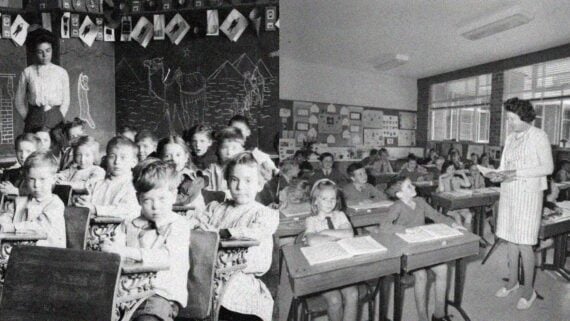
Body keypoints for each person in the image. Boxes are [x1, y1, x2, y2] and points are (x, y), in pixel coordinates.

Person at [189, 152, 278, 321]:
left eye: (248, 181)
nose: (240, 187)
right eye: (234, 179)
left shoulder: (264, 214)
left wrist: (220, 233)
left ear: (260, 184)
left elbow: (256, 232)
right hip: (205, 278)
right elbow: (193, 223)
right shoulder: (215, 208)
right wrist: (195, 227)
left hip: (239, 282)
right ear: (227, 182)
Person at [101, 158, 190, 321]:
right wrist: (109, 247)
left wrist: (127, 252)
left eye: (162, 199)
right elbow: (115, 249)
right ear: (138, 199)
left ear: (174, 195)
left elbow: (166, 258)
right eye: (148, 200)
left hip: (160, 294)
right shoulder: (129, 223)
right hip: (127, 291)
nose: (155, 206)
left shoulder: (178, 225)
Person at [485, 98, 553, 310]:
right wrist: (497, 174)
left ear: (524, 117)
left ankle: (528, 291)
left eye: (512, 118)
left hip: (529, 196)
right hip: (510, 193)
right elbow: (505, 165)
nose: (509, 122)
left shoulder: (539, 136)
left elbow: (548, 167)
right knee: (511, 241)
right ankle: (513, 282)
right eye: (508, 118)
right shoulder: (511, 137)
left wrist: (517, 172)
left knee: (524, 243)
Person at [383, 177, 464, 321]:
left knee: (443, 269)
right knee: (421, 275)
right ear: (400, 194)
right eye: (409, 186)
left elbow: (436, 215)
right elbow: (384, 227)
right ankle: (423, 317)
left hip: (422, 246)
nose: (413, 186)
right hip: (406, 250)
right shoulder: (397, 206)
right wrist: (405, 230)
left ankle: (439, 314)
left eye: (412, 184)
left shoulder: (420, 201)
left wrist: (453, 224)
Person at [304, 179, 358, 321]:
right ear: (315, 201)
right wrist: (337, 235)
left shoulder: (340, 215)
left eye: (333, 199)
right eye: (324, 199)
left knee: (353, 294)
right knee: (334, 299)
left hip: (342, 265)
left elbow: (350, 234)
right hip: (323, 270)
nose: (329, 202)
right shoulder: (312, 220)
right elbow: (312, 241)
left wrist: (325, 232)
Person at [0, 151, 65, 248]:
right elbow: (7, 215)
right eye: (31, 179)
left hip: (48, 254)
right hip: (20, 250)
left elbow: (38, 226)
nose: (36, 185)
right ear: (25, 179)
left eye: (42, 179)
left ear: (53, 179)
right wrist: (3, 223)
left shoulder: (55, 204)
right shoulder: (20, 200)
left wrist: (12, 227)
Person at [15, 32, 69, 132]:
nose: (45, 55)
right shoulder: (28, 72)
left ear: (52, 49)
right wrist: (28, 118)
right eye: (40, 52)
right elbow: (18, 101)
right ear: (35, 52)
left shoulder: (61, 72)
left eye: (48, 50)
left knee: (56, 145)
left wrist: (59, 115)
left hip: (56, 117)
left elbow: (66, 100)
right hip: (34, 118)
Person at [74, 136, 140, 219]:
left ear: (133, 162)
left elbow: (127, 209)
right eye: (112, 156)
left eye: (123, 157)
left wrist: (96, 209)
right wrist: (83, 201)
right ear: (106, 159)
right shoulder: (98, 184)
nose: (117, 162)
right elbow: (88, 201)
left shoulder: (134, 186)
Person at [157, 135, 205, 212]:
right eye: (167, 156)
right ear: (160, 159)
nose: (173, 159)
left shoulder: (192, 181)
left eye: (178, 155)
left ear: (186, 158)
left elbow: (199, 209)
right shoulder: (156, 179)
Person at [56, 136, 105, 201]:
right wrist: (55, 177)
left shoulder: (97, 171)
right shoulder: (73, 169)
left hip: (85, 203)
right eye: (79, 155)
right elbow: (60, 175)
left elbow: (88, 186)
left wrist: (66, 184)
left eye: (87, 155)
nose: (82, 159)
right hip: (69, 202)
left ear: (94, 156)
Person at [204, 127, 246, 194]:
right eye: (224, 148)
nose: (229, 152)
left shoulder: (247, 168)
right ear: (218, 150)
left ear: (242, 150)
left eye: (234, 148)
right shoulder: (212, 170)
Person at [438, 161, 472, 227]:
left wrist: (462, 174)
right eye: (449, 169)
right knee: (457, 216)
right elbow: (441, 190)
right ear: (445, 170)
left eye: (453, 169)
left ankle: (466, 233)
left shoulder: (457, 179)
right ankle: (461, 233)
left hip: (458, 205)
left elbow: (468, 184)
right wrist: (440, 177)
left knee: (469, 215)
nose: (451, 171)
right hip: (447, 206)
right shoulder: (443, 180)